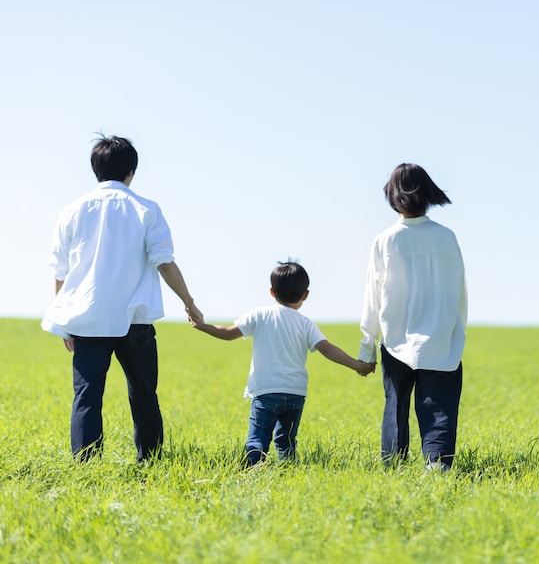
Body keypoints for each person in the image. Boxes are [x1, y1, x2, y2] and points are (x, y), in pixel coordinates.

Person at [41, 134, 203, 462]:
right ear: (131, 171)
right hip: (135, 321)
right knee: (144, 395)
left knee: (86, 398)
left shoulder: (71, 211)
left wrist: (64, 318)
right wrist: (189, 301)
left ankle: (86, 465)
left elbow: (60, 271)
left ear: (95, 170)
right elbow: (165, 262)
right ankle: (151, 461)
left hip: (87, 319)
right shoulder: (146, 209)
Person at [189, 261, 375, 467]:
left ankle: (251, 473)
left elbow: (227, 333)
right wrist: (358, 366)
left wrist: (202, 325)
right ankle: (287, 472)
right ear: (305, 294)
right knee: (286, 441)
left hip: (266, 392)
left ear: (271, 291)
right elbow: (327, 348)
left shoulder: (260, 314)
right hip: (295, 394)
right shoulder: (305, 323)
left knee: (257, 440)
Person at [359, 163, 468, 471]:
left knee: (395, 405)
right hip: (441, 338)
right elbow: (460, 289)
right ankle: (437, 464)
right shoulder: (447, 237)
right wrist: (455, 331)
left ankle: (393, 465)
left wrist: (367, 347)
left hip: (396, 339)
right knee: (440, 405)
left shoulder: (385, 241)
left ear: (392, 196)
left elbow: (373, 296)